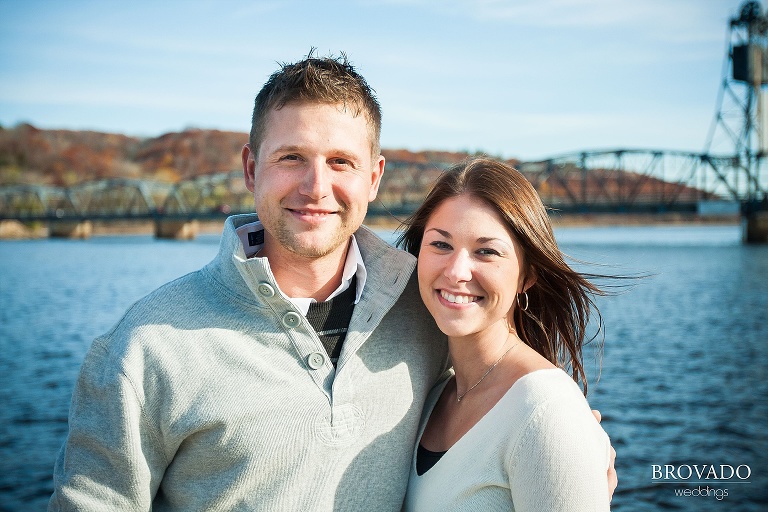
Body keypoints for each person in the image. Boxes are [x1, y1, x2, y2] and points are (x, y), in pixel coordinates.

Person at [49, 54, 614, 511]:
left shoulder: (420, 307)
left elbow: (500, 394)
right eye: (292, 157)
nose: (316, 187)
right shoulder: (147, 346)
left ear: (373, 177)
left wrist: (565, 443)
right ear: (251, 170)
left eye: (340, 162)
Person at [399, 158, 613, 510]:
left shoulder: (546, 411)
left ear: (527, 275)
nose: (456, 272)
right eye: (440, 245)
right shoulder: (435, 392)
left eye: (486, 251)